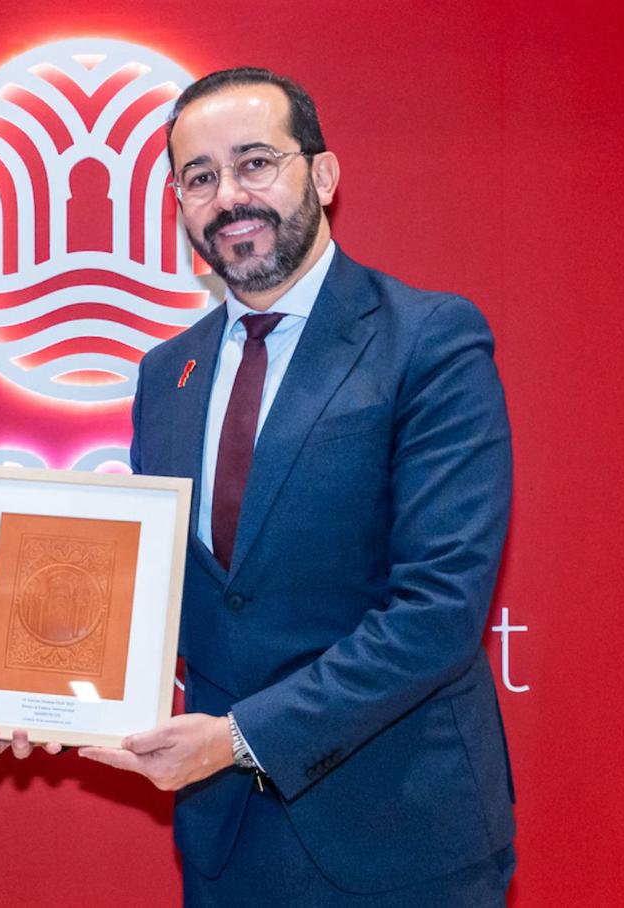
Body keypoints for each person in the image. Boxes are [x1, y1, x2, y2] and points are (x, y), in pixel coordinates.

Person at [79, 68, 516, 905]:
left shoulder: (429, 341)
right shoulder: (166, 374)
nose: (228, 197)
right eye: (199, 177)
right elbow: (159, 592)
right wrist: (21, 679)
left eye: (254, 163)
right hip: (225, 841)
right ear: (180, 205)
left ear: (322, 175)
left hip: (401, 834)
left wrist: (240, 738)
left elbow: (437, 611)